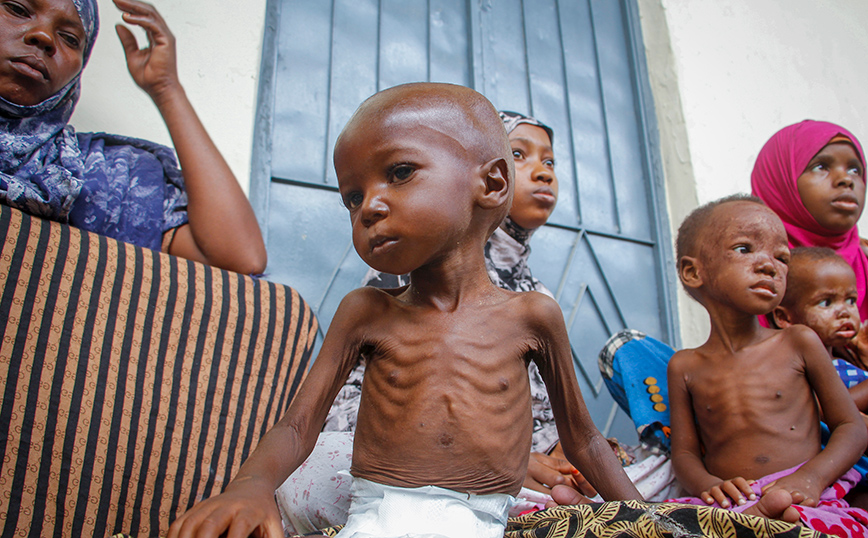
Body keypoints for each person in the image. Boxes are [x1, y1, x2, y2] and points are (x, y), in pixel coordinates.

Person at [166, 82, 642, 538]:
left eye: (399, 173)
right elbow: (298, 425)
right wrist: (250, 487)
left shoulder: (533, 314)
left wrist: (647, 519)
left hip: (487, 518)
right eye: (352, 198)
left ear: (492, 183)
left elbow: (585, 440)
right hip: (374, 518)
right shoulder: (367, 311)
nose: (369, 207)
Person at [0, 0, 266, 274]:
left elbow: (241, 258)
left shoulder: (97, 176)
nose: (43, 36)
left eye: (69, 38)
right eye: (18, 9)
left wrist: (166, 88)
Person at [666, 194, 868, 534]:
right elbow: (684, 454)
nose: (769, 264)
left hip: (803, 496)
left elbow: (852, 427)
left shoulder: (798, 341)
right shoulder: (684, 366)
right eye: (745, 249)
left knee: (803, 521)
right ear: (692, 271)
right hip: (728, 503)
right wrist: (707, 485)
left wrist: (812, 477)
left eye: (781, 257)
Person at [752, 120, 866, 326]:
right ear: (780, 182)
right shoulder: (751, 275)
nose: (845, 180)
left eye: (855, 170)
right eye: (821, 167)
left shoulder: (865, 260)